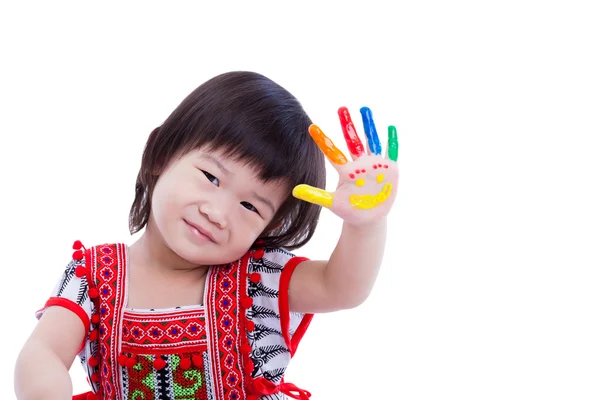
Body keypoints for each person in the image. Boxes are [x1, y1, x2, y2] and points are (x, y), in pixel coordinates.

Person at [14, 71, 399, 400]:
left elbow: (342, 288)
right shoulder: (94, 275)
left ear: (270, 227)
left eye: (251, 207)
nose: (217, 213)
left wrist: (365, 224)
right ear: (160, 156)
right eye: (211, 177)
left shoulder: (258, 281)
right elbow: (44, 352)